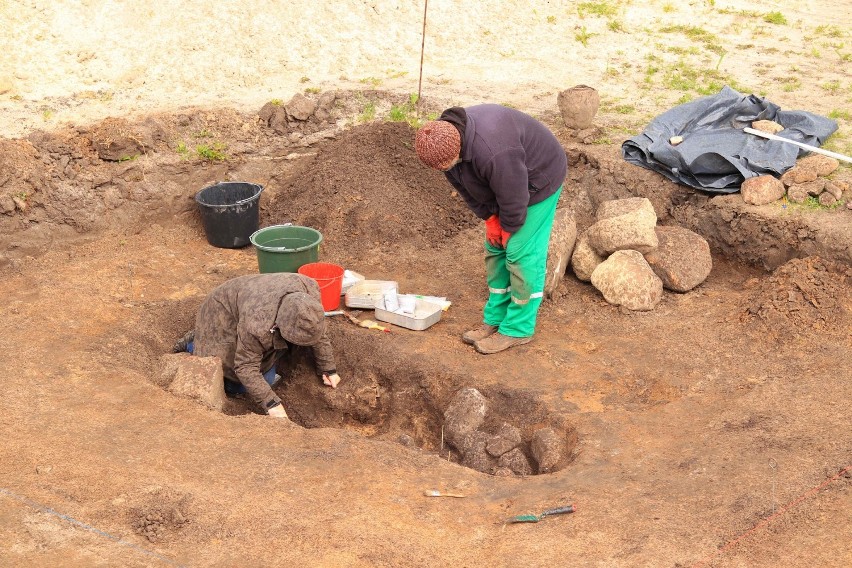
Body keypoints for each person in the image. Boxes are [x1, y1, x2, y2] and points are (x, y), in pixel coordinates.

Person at [415, 104, 567, 354]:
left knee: (520, 252)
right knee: (494, 248)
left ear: (458, 149)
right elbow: (468, 188)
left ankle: (519, 328)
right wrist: (490, 220)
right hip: (507, 181)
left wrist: (509, 227)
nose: (444, 170)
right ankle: (496, 317)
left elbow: (514, 195)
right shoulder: (443, 143)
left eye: (446, 165)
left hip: (538, 179)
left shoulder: (494, 150)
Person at [173, 273, 342, 420]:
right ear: (278, 325)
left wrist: (328, 368)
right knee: (236, 385)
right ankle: (195, 341)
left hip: (248, 303)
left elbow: (317, 332)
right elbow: (245, 367)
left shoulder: (309, 291)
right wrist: (272, 405)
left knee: (267, 377)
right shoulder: (257, 324)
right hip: (220, 312)